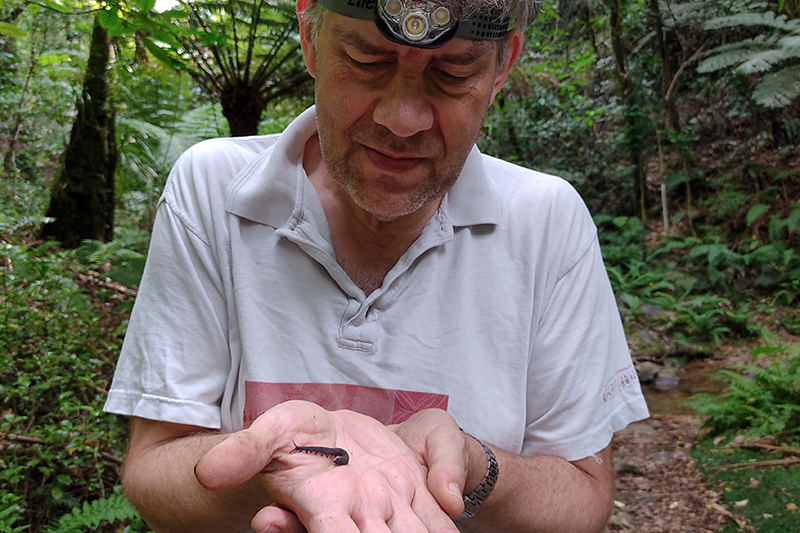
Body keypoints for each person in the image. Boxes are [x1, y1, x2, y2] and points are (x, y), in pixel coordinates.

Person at [104, 0, 650, 530]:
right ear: (310, 37)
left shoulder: (547, 222)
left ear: (503, 63)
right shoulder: (212, 192)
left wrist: (473, 464)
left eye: (454, 72)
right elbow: (154, 471)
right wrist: (272, 470)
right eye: (367, 61)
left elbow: (584, 495)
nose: (402, 119)